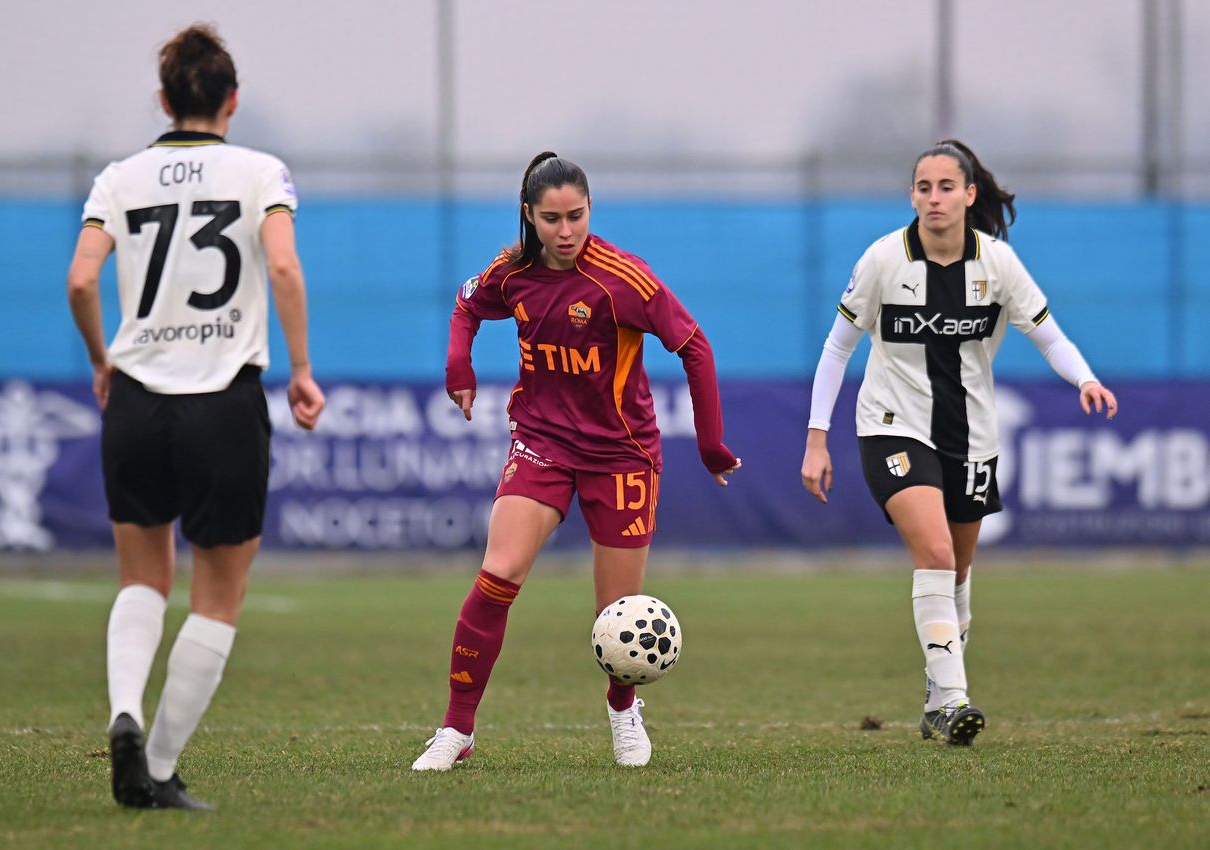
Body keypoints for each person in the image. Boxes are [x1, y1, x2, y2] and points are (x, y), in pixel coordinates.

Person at [412, 152, 741, 771]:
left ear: (591, 210)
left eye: (577, 217)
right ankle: (456, 729)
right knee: (498, 572)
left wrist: (710, 442)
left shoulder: (623, 279)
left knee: (616, 616)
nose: (567, 232)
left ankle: (624, 711)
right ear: (529, 217)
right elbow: (465, 307)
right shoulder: (513, 272)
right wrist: (459, 367)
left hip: (622, 455)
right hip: (542, 441)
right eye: (552, 219)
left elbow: (694, 345)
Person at [66, 24, 325, 809]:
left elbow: (81, 281)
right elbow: (280, 262)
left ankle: (122, 711)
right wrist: (303, 368)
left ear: (163, 98)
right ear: (232, 101)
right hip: (223, 402)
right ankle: (160, 767)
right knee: (218, 597)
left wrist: (101, 361)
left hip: (138, 400)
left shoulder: (120, 177)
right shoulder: (259, 171)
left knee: (142, 580)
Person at [800, 139, 1117, 745]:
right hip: (892, 424)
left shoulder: (996, 263)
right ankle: (953, 700)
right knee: (937, 555)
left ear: (970, 196)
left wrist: (1086, 377)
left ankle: (935, 694)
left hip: (971, 436)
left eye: (947, 187)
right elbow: (838, 347)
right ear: (912, 195)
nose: (934, 198)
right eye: (924, 187)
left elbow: (1048, 334)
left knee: (960, 574)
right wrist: (817, 440)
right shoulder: (882, 260)